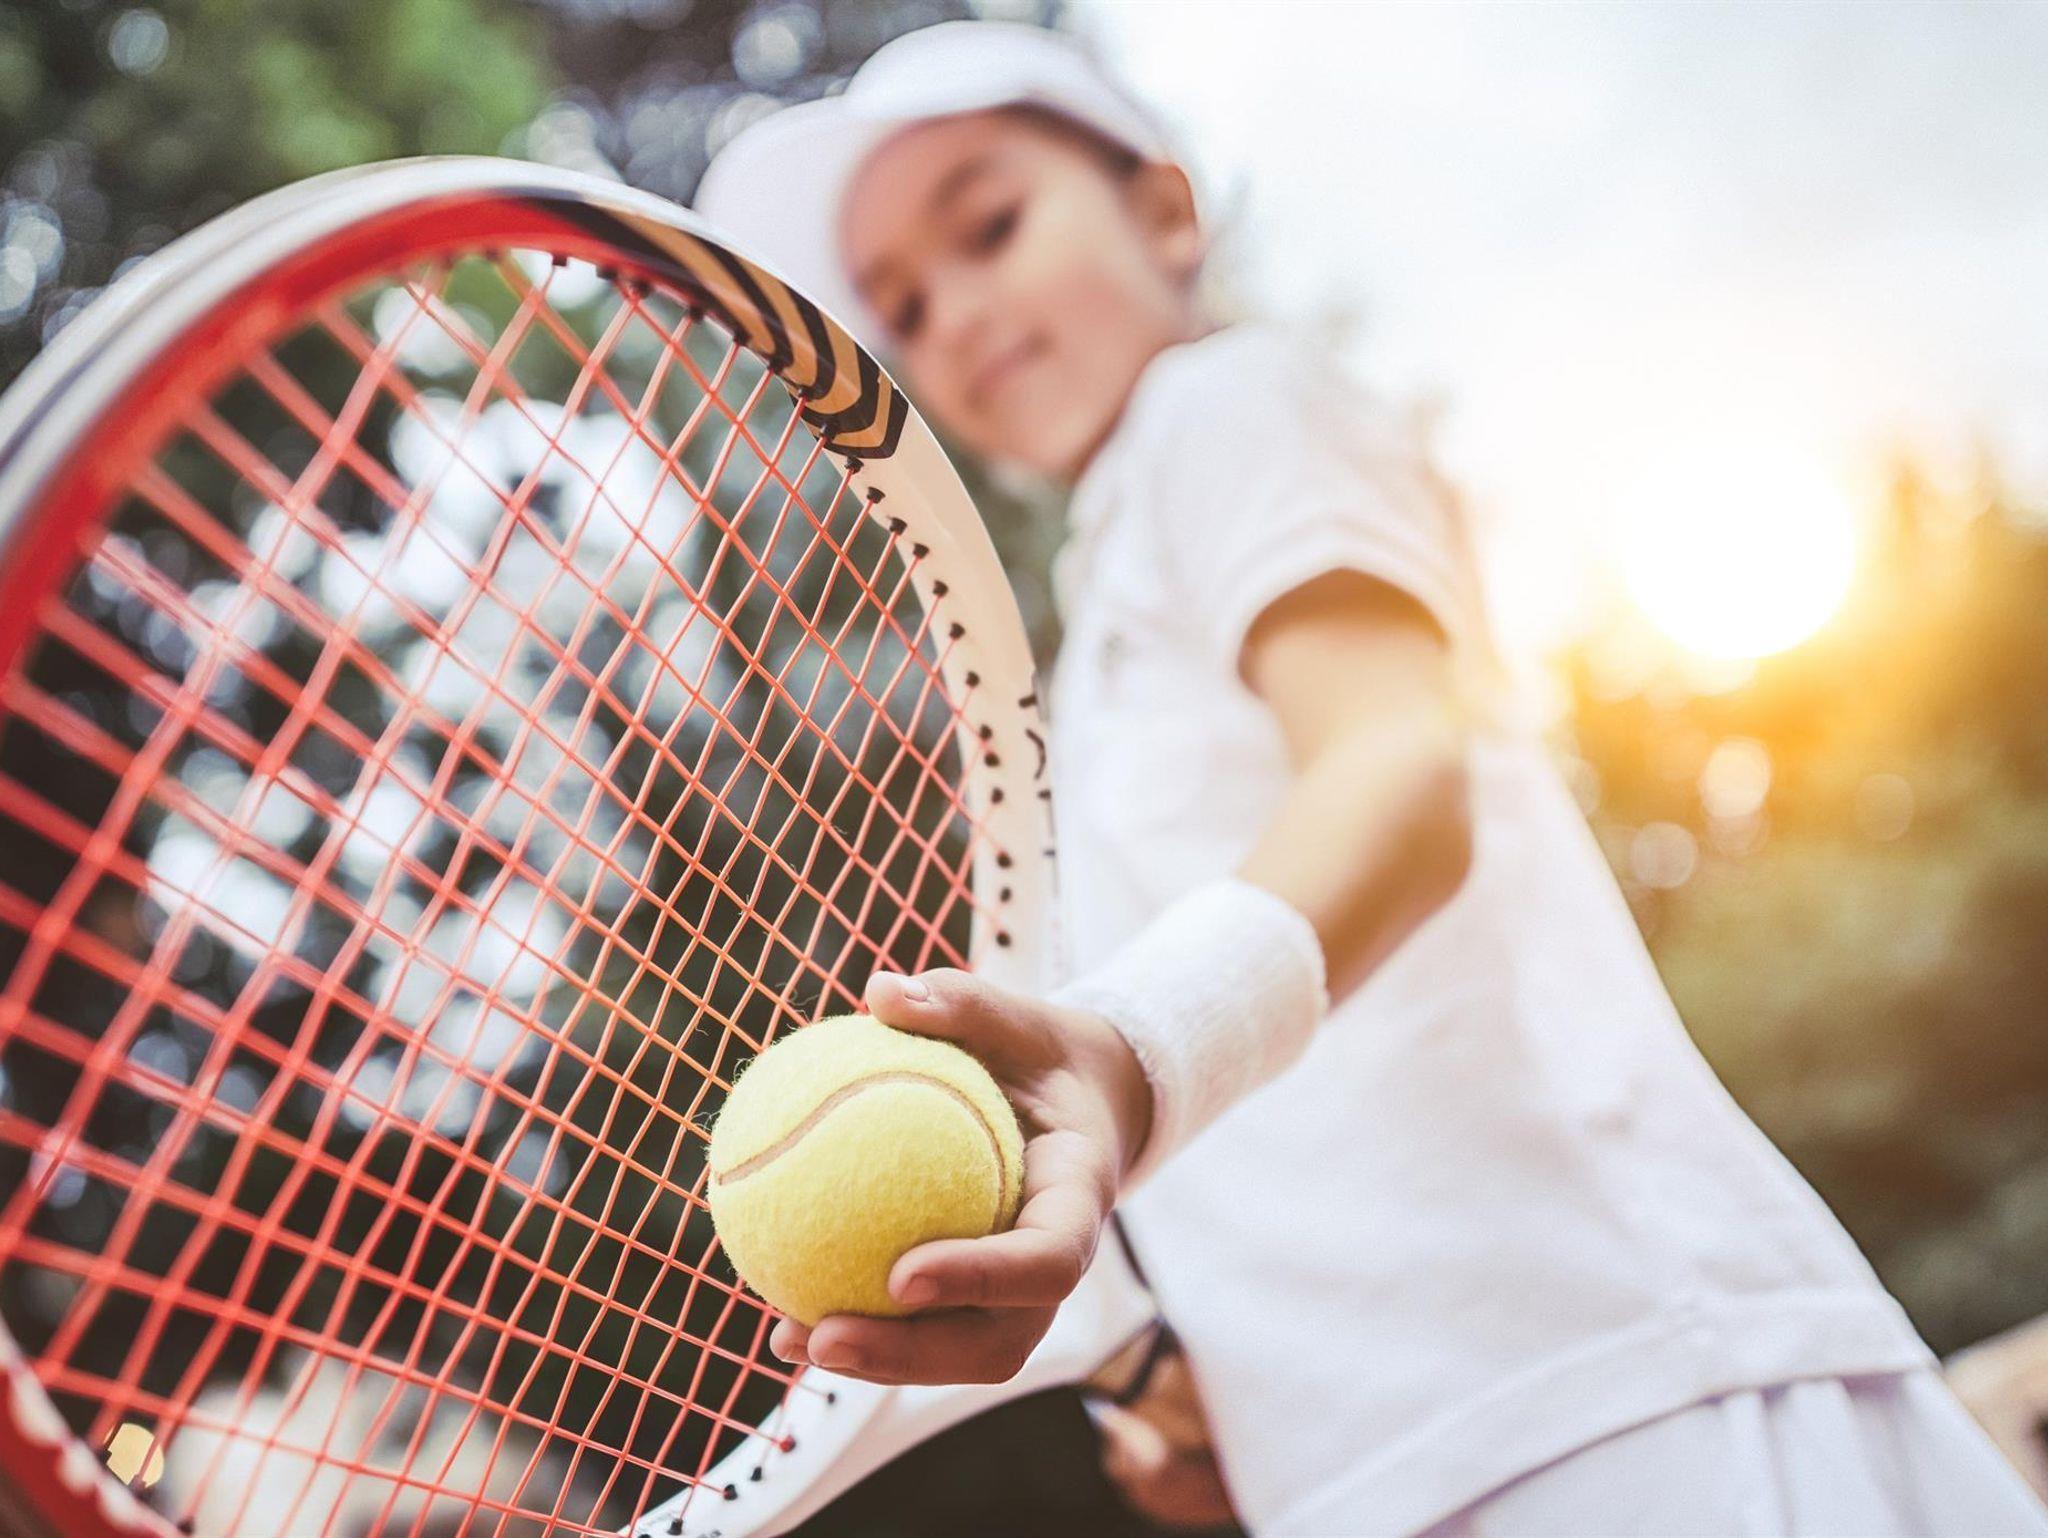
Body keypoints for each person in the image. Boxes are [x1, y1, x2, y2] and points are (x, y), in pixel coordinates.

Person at [696, 21, 2048, 1536]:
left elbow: (1403, 765)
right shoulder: (1099, 650)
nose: (955, 313)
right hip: (1390, 1468)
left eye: (991, 224)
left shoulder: (1230, 405)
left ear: (1165, 211)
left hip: (1609, 1384)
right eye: (902, 308)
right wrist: (1202, 1376)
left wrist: (1132, 1055)